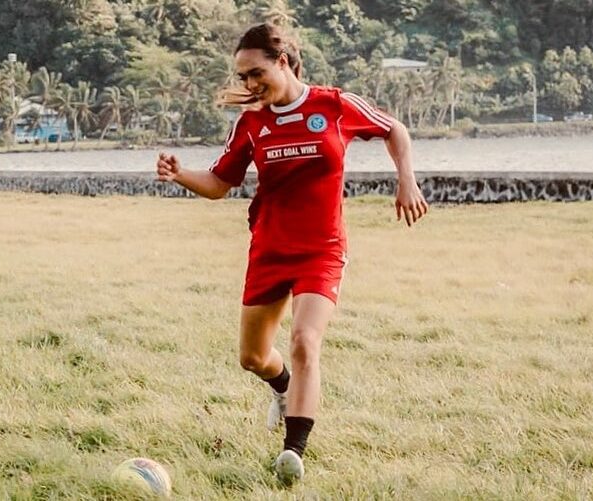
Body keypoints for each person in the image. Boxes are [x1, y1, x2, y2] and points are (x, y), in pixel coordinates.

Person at [155, 22, 428, 486]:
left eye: (255, 72)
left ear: (282, 61)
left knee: (305, 341)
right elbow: (221, 184)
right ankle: (281, 389)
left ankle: (292, 451)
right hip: (269, 249)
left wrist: (407, 179)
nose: (248, 84)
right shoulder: (251, 123)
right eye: (242, 77)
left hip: (322, 250)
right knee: (252, 357)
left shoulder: (334, 105)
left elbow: (393, 128)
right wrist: (181, 175)